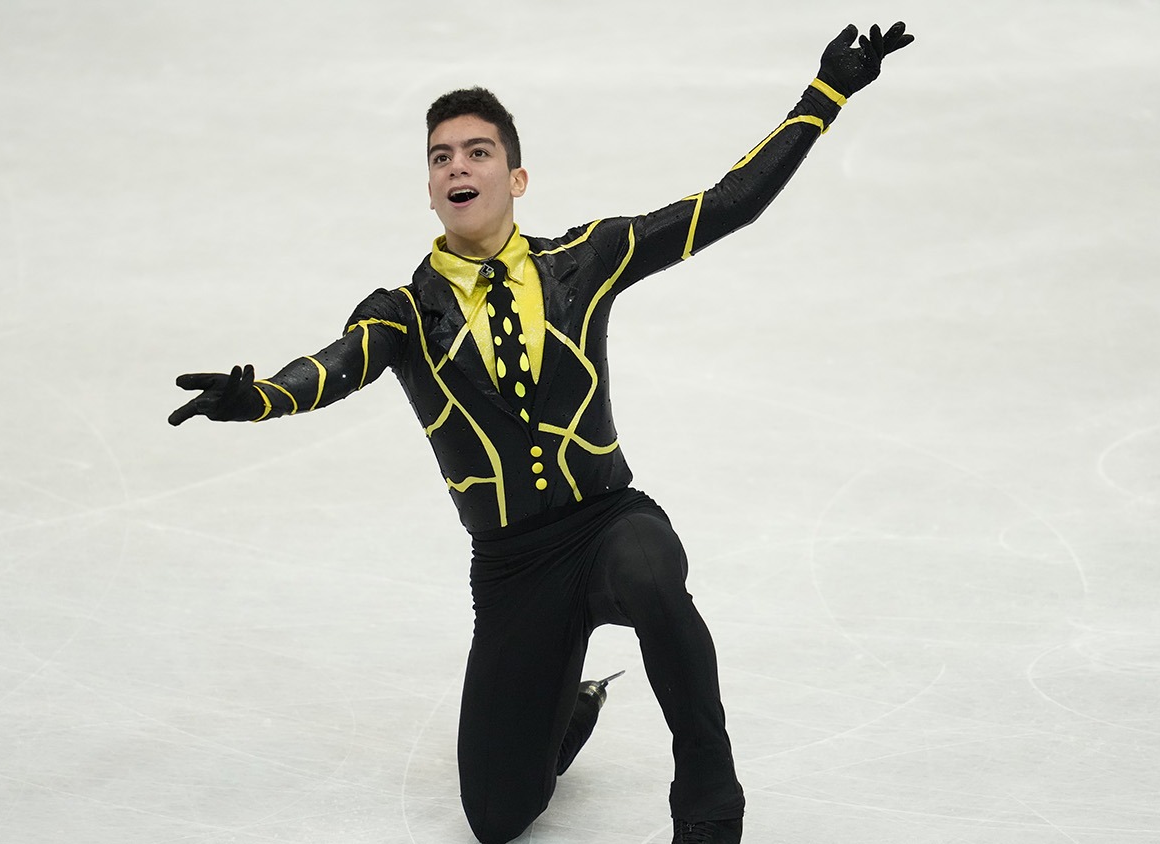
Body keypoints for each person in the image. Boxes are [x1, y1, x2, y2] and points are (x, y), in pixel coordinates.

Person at [169, 22, 914, 844]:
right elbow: (336, 364)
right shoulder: (406, 313)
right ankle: (565, 712)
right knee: (496, 819)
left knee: (652, 570)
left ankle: (709, 785)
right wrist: (261, 397)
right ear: (428, 188)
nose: (458, 164)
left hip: (607, 522)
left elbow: (727, 204)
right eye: (441, 156)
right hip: (515, 569)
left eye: (479, 151)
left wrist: (828, 93)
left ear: (516, 176)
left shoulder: (587, 258)